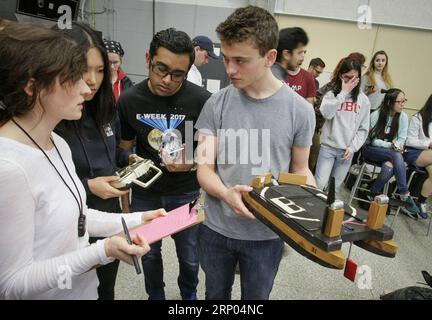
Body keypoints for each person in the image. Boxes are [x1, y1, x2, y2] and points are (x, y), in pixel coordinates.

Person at [0, 23, 165, 300]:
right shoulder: (9, 167)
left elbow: (77, 218)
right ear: (32, 87)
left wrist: (136, 220)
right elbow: (12, 284)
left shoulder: (57, 144)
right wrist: (101, 252)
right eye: (73, 77)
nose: (86, 86)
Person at [195, 6, 316, 300]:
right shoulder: (217, 104)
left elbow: (300, 169)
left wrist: (314, 202)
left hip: (267, 233)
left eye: (240, 60)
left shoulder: (300, 110)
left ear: (270, 57)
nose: (229, 69)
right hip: (217, 228)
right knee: (215, 296)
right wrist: (226, 195)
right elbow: (204, 169)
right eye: (225, 58)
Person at [118, 28, 211, 300]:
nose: (167, 80)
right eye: (161, 69)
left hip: (187, 193)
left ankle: (188, 296)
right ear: (148, 58)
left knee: (191, 256)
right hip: (147, 194)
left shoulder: (202, 101)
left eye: (178, 74)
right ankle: (155, 296)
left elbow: (212, 152)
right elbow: (123, 150)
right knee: (149, 253)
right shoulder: (129, 100)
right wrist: (130, 162)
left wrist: (191, 163)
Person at [53, 23, 140, 300]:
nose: (92, 79)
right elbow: (45, 185)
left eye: (100, 70)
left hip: (108, 215)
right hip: (69, 222)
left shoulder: (105, 109)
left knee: (105, 289)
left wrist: (128, 158)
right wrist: (89, 186)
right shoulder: (55, 117)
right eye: (83, 69)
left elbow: (111, 152)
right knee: (69, 288)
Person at [314, 58, 370, 193]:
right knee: (319, 185)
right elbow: (326, 114)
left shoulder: (363, 100)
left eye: (354, 78)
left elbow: (363, 128)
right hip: (328, 147)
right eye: (347, 77)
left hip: (346, 151)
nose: (351, 82)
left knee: (333, 190)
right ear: (340, 76)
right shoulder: (331, 94)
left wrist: (353, 147)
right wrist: (343, 94)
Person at [362, 88, 419, 217]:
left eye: (404, 101)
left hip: (391, 153)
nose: (403, 104)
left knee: (390, 165)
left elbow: (402, 138)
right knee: (396, 155)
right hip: (370, 150)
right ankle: (404, 194)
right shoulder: (376, 115)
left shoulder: (403, 117)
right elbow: (372, 141)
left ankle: (373, 192)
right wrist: (390, 145)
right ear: (389, 103)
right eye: (400, 102)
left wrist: (397, 145)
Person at [404, 94, 432, 219]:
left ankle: (421, 201)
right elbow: (409, 141)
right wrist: (428, 144)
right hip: (414, 153)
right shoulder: (418, 118)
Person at [273, 27, 316, 104]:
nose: (303, 56)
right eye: (299, 52)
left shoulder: (273, 75)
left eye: (304, 52)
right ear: (286, 54)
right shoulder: (273, 79)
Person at [103, 39, 134, 103]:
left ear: (121, 62)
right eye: (108, 62)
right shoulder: (98, 80)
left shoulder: (126, 82)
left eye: (115, 62)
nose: (112, 66)